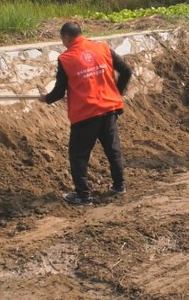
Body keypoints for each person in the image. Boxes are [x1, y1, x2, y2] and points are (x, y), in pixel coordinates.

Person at [41, 22, 133, 206]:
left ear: (66, 37)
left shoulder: (66, 58)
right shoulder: (103, 47)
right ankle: (119, 186)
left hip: (86, 113)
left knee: (78, 155)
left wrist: (45, 99)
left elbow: (59, 92)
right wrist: (117, 92)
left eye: (62, 40)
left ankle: (83, 196)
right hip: (109, 109)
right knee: (113, 149)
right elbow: (127, 71)